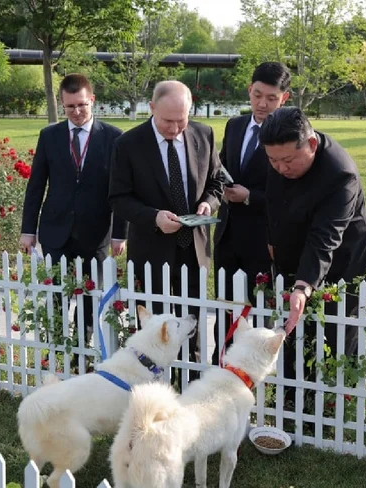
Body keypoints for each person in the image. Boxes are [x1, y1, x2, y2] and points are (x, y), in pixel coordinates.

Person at [260, 106, 366, 395]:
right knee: (295, 333)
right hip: (300, 255)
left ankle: (336, 403)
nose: (280, 169)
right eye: (273, 161)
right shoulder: (280, 156)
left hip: (346, 263)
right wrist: (273, 241)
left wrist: (303, 284)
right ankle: (293, 400)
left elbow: (326, 237)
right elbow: (274, 201)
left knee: (336, 338)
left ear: (311, 144)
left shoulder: (340, 174)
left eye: (287, 161)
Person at [108, 80, 224, 382]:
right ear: (152, 108)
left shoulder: (203, 134)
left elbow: (216, 182)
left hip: (194, 249)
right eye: (168, 121)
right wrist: (153, 217)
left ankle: (191, 386)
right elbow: (118, 198)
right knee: (155, 327)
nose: (175, 128)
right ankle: (155, 387)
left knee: (191, 322)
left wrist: (208, 205)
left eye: (181, 120)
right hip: (151, 250)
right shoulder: (128, 144)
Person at [20, 73, 127, 337]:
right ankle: (58, 354)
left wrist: (119, 234)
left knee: (89, 301)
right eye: (70, 106)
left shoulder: (115, 138)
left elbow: (122, 190)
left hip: (96, 235)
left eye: (82, 104)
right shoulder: (49, 136)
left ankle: (83, 358)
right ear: (61, 104)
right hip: (55, 232)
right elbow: (36, 186)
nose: (76, 112)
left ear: (92, 100)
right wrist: (28, 230)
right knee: (57, 298)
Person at [212, 62, 291, 365]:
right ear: (249, 90)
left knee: (260, 312)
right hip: (228, 234)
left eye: (271, 98)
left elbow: (290, 190)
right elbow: (221, 166)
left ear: (284, 98)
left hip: (265, 237)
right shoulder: (235, 125)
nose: (262, 104)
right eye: (257, 95)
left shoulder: (289, 132)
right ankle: (222, 363)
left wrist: (250, 197)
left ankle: (258, 370)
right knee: (226, 307)